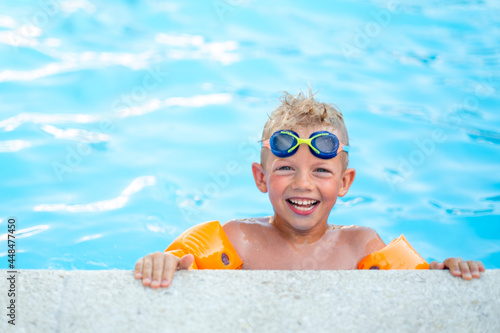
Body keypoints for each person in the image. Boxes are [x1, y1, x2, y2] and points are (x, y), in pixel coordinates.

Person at [134, 91, 485, 288]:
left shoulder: (361, 246)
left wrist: (447, 274)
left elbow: (419, 292)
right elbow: (180, 270)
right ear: (261, 177)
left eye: (321, 170)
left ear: (345, 183)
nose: (303, 184)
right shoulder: (237, 238)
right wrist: (162, 262)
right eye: (286, 168)